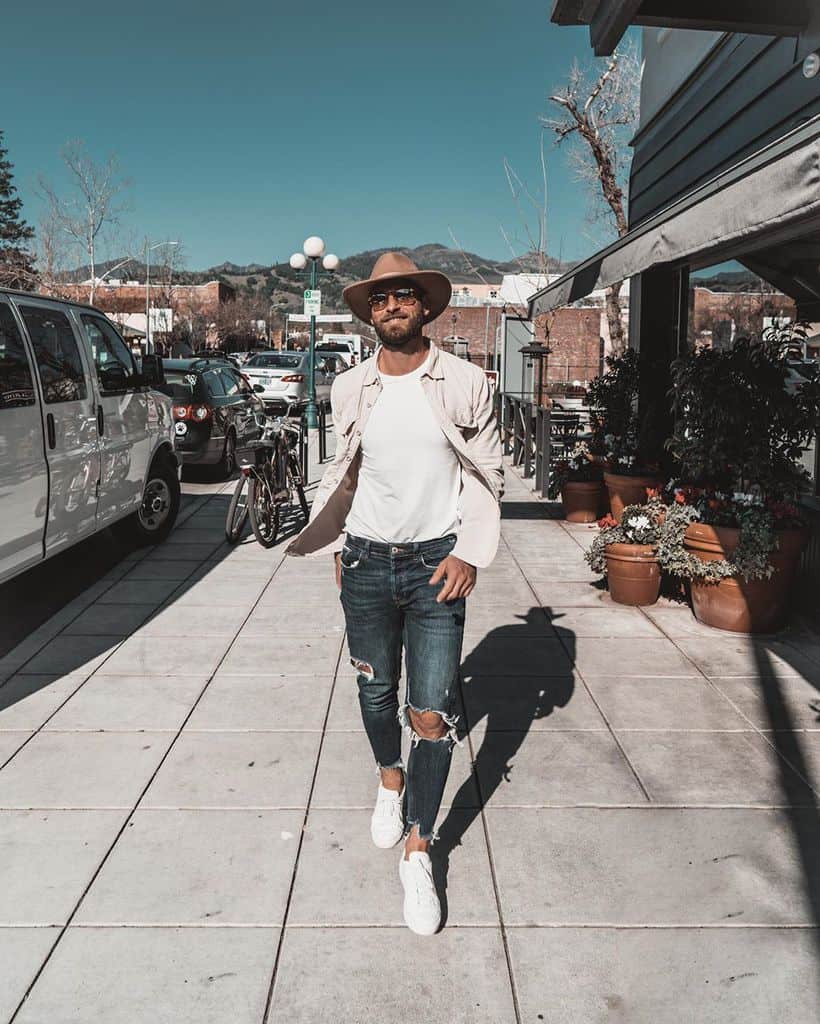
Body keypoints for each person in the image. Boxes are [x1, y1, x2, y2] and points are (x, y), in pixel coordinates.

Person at [288, 252, 503, 934]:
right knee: (375, 690)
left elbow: (491, 469)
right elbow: (341, 467)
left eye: (404, 295)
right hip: (367, 562)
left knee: (432, 713)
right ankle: (389, 777)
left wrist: (472, 549)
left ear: (426, 307)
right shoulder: (351, 387)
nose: (393, 306)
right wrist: (335, 540)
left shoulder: (466, 383)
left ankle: (420, 847)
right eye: (381, 299)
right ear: (369, 312)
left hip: (438, 564)